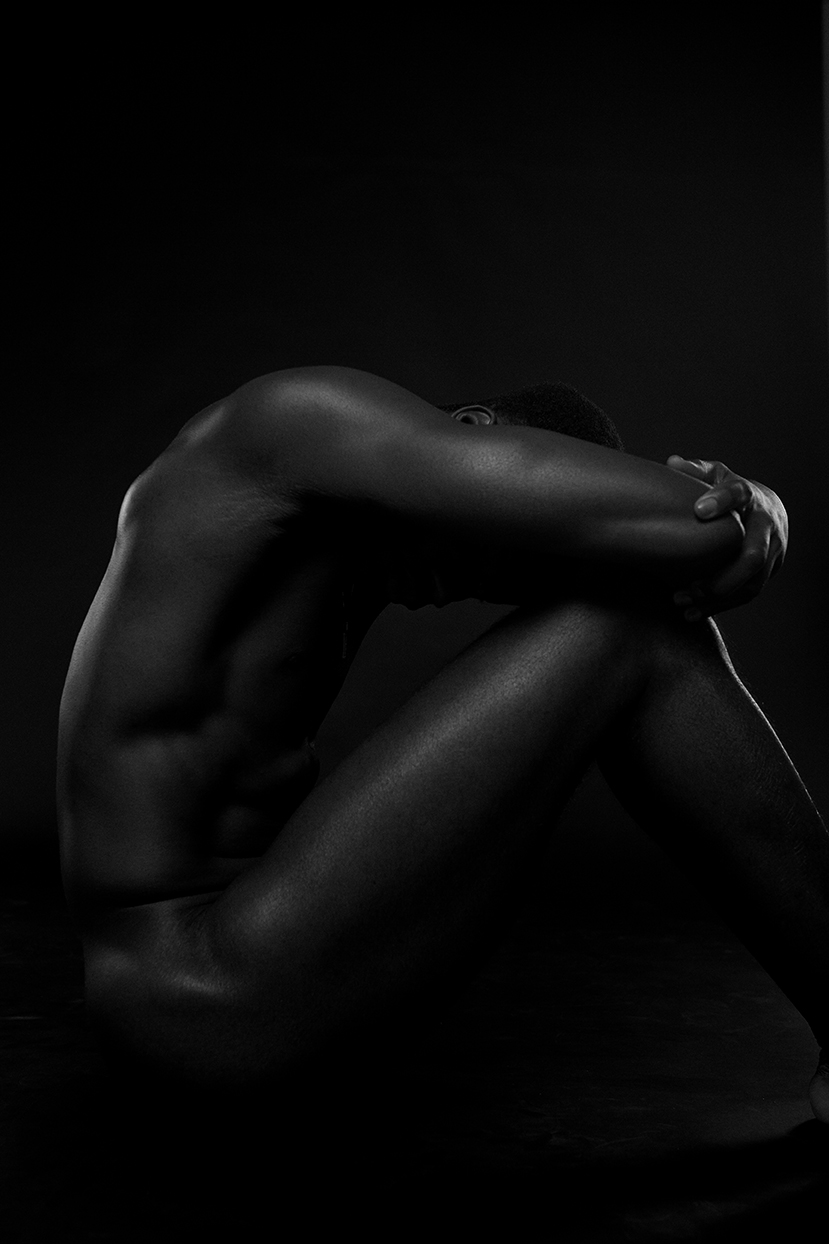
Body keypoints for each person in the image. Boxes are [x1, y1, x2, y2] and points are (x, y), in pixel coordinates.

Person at [56, 365, 829, 1121]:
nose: (472, 583)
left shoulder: (323, 550)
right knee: (631, 618)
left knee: (636, 604)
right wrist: (760, 506)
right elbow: (701, 526)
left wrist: (746, 514)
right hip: (192, 991)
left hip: (283, 969)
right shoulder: (294, 417)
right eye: (502, 539)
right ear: (474, 434)